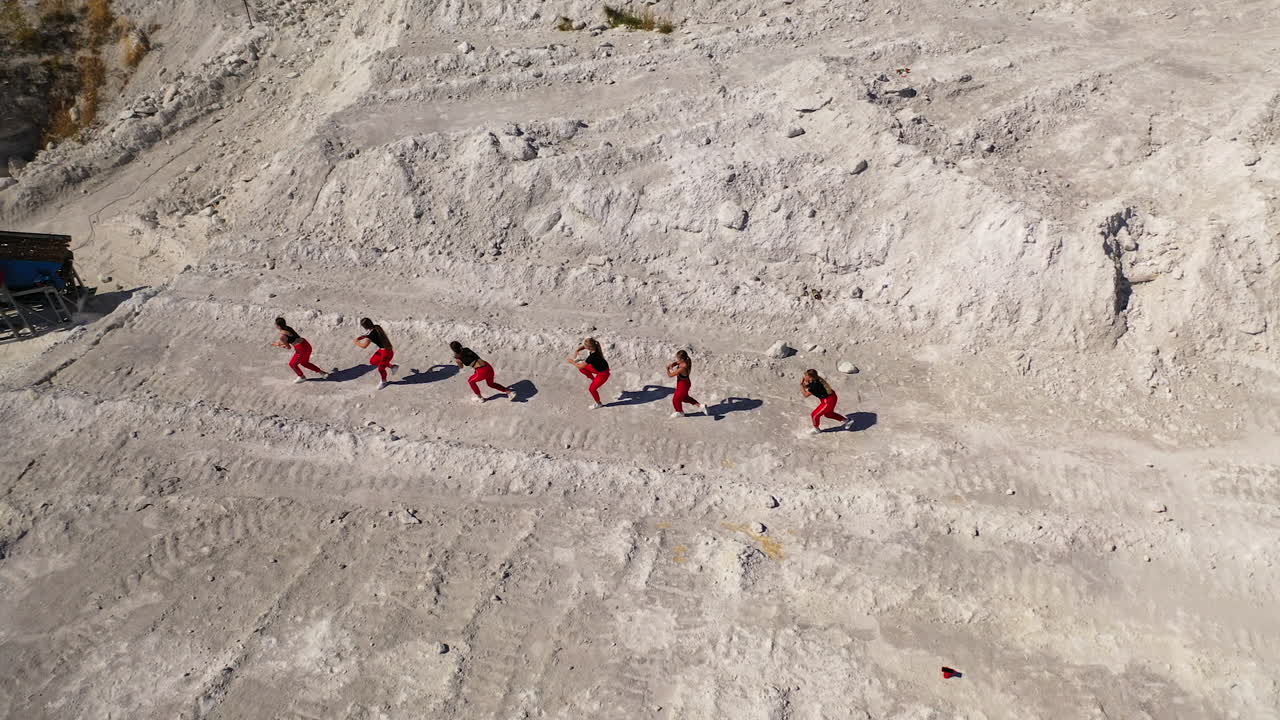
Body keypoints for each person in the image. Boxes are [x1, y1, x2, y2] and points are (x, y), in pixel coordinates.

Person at [272, 317, 329, 383]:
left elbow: (288, 347)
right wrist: (280, 343)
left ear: (278, 326)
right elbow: (290, 339)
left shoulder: (282, 336)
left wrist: (280, 345)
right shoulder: (288, 328)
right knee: (304, 363)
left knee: (292, 364)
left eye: (275, 324)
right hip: (306, 344)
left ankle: (302, 377)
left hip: (301, 349)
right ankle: (323, 373)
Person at [354, 317, 398, 389]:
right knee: (373, 361)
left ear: (364, 327)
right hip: (384, 350)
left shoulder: (371, 335)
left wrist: (356, 342)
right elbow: (370, 334)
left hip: (386, 352)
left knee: (381, 368)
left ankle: (384, 381)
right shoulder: (377, 327)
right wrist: (363, 336)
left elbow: (364, 346)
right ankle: (392, 367)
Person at [568, 337, 610, 408]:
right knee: (582, 369)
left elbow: (580, 366)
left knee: (592, 389)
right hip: (598, 369)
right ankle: (593, 379)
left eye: (586, 346)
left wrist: (572, 362)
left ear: (589, 347)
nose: (584, 347)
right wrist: (578, 349)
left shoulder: (592, 357)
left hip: (603, 374)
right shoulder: (595, 347)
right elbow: (584, 347)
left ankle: (599, 404)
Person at [801, 368, 846, 433]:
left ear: (810, 377)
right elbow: (808, 386)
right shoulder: (815, 379)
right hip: (831, 397)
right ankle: (847, 421)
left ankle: (817, 429)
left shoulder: (815, 385)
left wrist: (801, 384)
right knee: (828, 414)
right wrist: (805, 384)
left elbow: (805, 394)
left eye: (806, 376)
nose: (804, 376)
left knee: (814, 415)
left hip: (828, 401)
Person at [666, 349, 707, 418]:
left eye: (678, 358)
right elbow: (677, 363)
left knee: (676, 399)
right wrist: (672, 365)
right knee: (684, 398)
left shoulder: (682, 368)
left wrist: (667, 369)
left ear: (682, 359)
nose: (677, 360)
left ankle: (679, 412)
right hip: (686, 383)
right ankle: (701, 406)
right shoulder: (687, 360)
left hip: (682, 385)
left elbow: (670, 375)